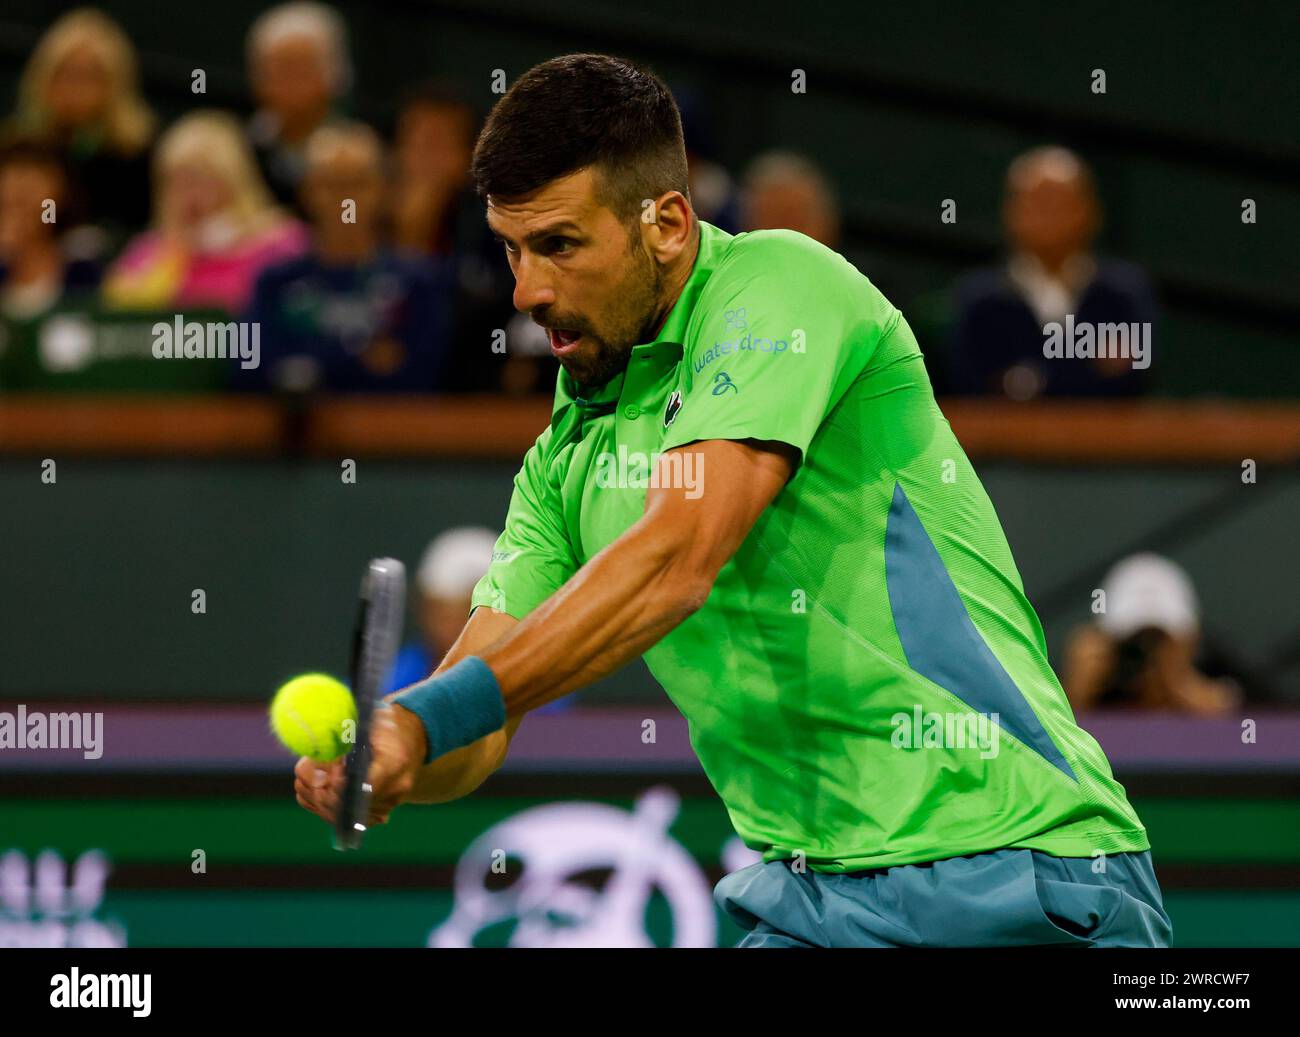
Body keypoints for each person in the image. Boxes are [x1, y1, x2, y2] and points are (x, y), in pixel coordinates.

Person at [293, 54, 1172, 949]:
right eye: (510, 250)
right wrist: (399, 756)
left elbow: (678, 558)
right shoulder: (565, 453)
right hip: (813, 902)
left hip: (1018, 867)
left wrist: (426, 716)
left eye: (559, 243)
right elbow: (482, 710)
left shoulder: (781, 287)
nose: (528, 293)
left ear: (668, 223)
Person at [240, 122, 451, 392]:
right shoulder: (274, 282)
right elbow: (248, 372)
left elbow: (420, 375)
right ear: (307, 193)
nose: (345, 201)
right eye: (331, 186)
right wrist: (362, 359)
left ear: (382, 191)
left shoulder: (418, 282)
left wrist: (305, 364)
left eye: (357, 185)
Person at [948, 146, 1157, 399]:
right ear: (1010, 213)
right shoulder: (980, 299)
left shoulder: (1124, 293)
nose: (1048, 216)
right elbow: (970, 384)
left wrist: (1029, 381)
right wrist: (1088, 370)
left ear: (1090, 211)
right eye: (1035, 203)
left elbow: (1135, 376)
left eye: (1060, 203)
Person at [102, 111, 307, 314]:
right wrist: (174, 255)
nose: (187, 195)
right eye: (174, 182)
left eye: (198, 180)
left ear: (233, 180)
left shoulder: (281, 243)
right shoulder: (148, 251)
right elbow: (119, 316)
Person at [6, 8, 156, 252]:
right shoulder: (21, 150)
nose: (75, 89)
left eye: (90, 76)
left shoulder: (136, 154)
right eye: (65, 74)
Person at [1063, 553, 1242, 715]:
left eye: (1158, 641)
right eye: (1133, 640)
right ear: (1104, 644)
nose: (1146, 655)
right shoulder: (1086, 695)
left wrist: (1213, 717)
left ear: (1191, 642)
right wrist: (1074, 699)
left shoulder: (1219, 693)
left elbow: (1252, 740)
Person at [245, 2, 352, 214]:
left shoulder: (352, 158)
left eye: (300, 70)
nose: (289, 85)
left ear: (332, 77)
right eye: (279, 70)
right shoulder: (239, 149)